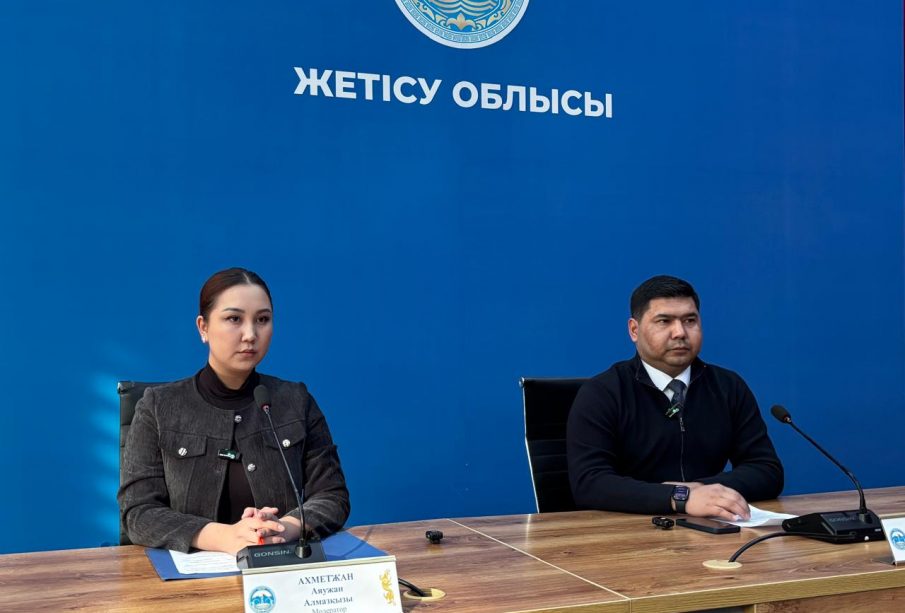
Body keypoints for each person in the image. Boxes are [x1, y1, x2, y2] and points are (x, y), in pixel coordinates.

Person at [118, 268, 350, 554]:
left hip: (278, 565)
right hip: (192, 576)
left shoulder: (296, 400)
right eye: (234, 319)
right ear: (203, 327)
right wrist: (225, 537)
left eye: (262, 320)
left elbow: (332, 496)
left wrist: (283, 528)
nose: (250, 334)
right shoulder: (157, 406)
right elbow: (138, 512)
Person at [567, 275, 783, 520]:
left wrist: (700, 492)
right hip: (626, 530)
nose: (680, 332)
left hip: (709, 525)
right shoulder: (602, 393)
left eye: (690, 320)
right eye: (664, 321)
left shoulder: (728, 387)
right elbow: (589, 483)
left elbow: (767, 470)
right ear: (634, 330)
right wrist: (677, 497)